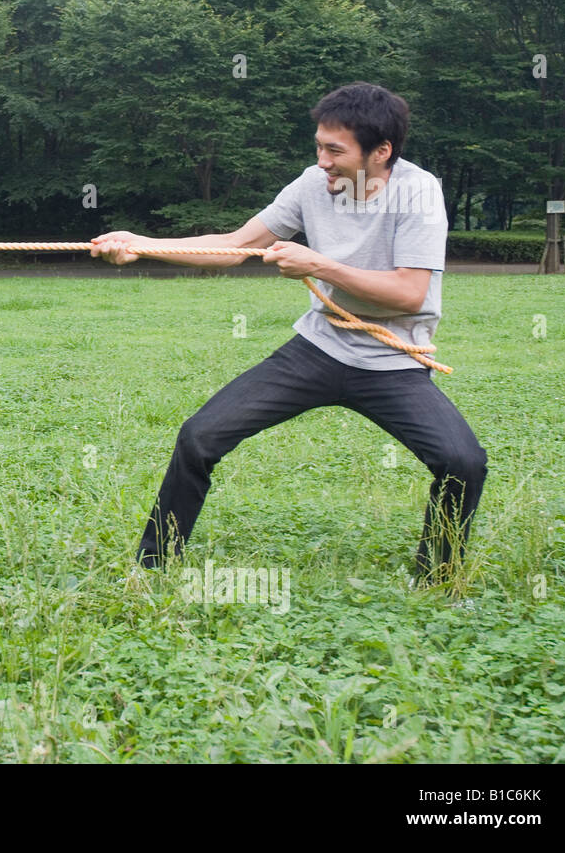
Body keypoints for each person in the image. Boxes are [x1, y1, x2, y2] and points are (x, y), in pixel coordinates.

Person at [91, 82, 487, 583]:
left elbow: (410, 294)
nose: (322, 160)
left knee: (462, 463)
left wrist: (319, 264)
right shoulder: (310, 186)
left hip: (392, 362)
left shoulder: (418, 191)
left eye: (335, 150)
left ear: (381, 151)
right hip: (318, 349)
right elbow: (233, 248)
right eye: (319, 146)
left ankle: (436, 580)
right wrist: (143, 245)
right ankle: (153, 567)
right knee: (199, 437)